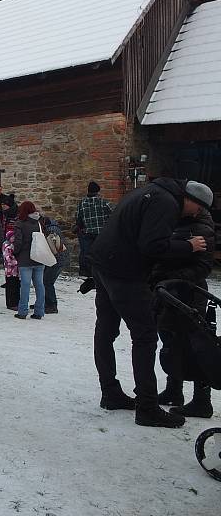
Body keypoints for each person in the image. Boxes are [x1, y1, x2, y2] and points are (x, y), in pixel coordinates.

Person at [91, 178, 210, 428]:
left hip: (103, 263)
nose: (196, 214)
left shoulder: (149, 191)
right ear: (190, 200)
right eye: (198, 209)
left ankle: (110, 392)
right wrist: (187, 246)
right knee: (145, 336)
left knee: (105, 330)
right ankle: (147, 407)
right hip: (124, 271)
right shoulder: (166, 202)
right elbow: (152, 246)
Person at [153, 205, 216, 418]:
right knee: (171, 341)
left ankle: (201, 401)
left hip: (190, 294)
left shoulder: (202, 229)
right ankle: (174, 390)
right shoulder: (175, 223)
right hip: (169, 293)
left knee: (197, 346)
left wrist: (173, 278)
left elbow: (203, 267)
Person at [75, 181, 113, 291]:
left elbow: (78, 219)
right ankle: (102, 272)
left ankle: (86, 273)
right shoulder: (104, 203)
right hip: (102, 234)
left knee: (86, 253)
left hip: (87, 233)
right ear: (97, 191)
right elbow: (114, 214)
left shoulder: (82, 203)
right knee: (101, 254)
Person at [12, 201, 47, 320]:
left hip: (25, 258)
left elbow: (18, 242)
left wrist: (15, 253)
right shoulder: (39, 222)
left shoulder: (20, 224)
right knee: (40, 285)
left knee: (25, 286)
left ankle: (22, 311)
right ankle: (39, 311)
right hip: (39, 257)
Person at [42, 216, 70, 314]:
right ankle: (45, 302)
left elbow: (54, 246)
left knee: (47, 282)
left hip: (57, 260)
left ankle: (51, 306)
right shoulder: (54, 228)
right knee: (46, 281)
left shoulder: (51, 230)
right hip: (58, 259)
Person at [2, 224, 20, 311]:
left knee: (16, 286)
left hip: (16, 271)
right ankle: (11, 303)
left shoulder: (13, 245)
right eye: (13, 237)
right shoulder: (7, 246)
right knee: (11, 287)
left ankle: (16, 302)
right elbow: (8, 259)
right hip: (10, 271)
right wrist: (18, 262)